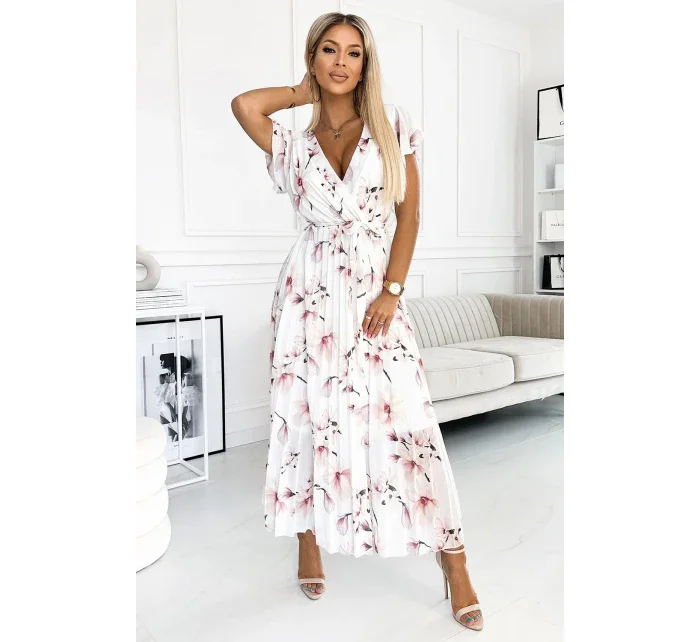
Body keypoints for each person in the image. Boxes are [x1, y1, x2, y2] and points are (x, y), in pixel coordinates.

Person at [231, 11, 483, 631]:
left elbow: (410, 215)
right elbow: (244, 105)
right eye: (329, 50)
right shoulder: (292, 143)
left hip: (374, 291)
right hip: (307, 298)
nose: (341, 62)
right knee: (306, 418)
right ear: (313, 58)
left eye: (353, 52)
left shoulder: (393, 125)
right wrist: (303, 94)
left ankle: (454, 561)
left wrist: (393, 290)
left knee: (409, 422)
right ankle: (308, 540)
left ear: (368, 64)